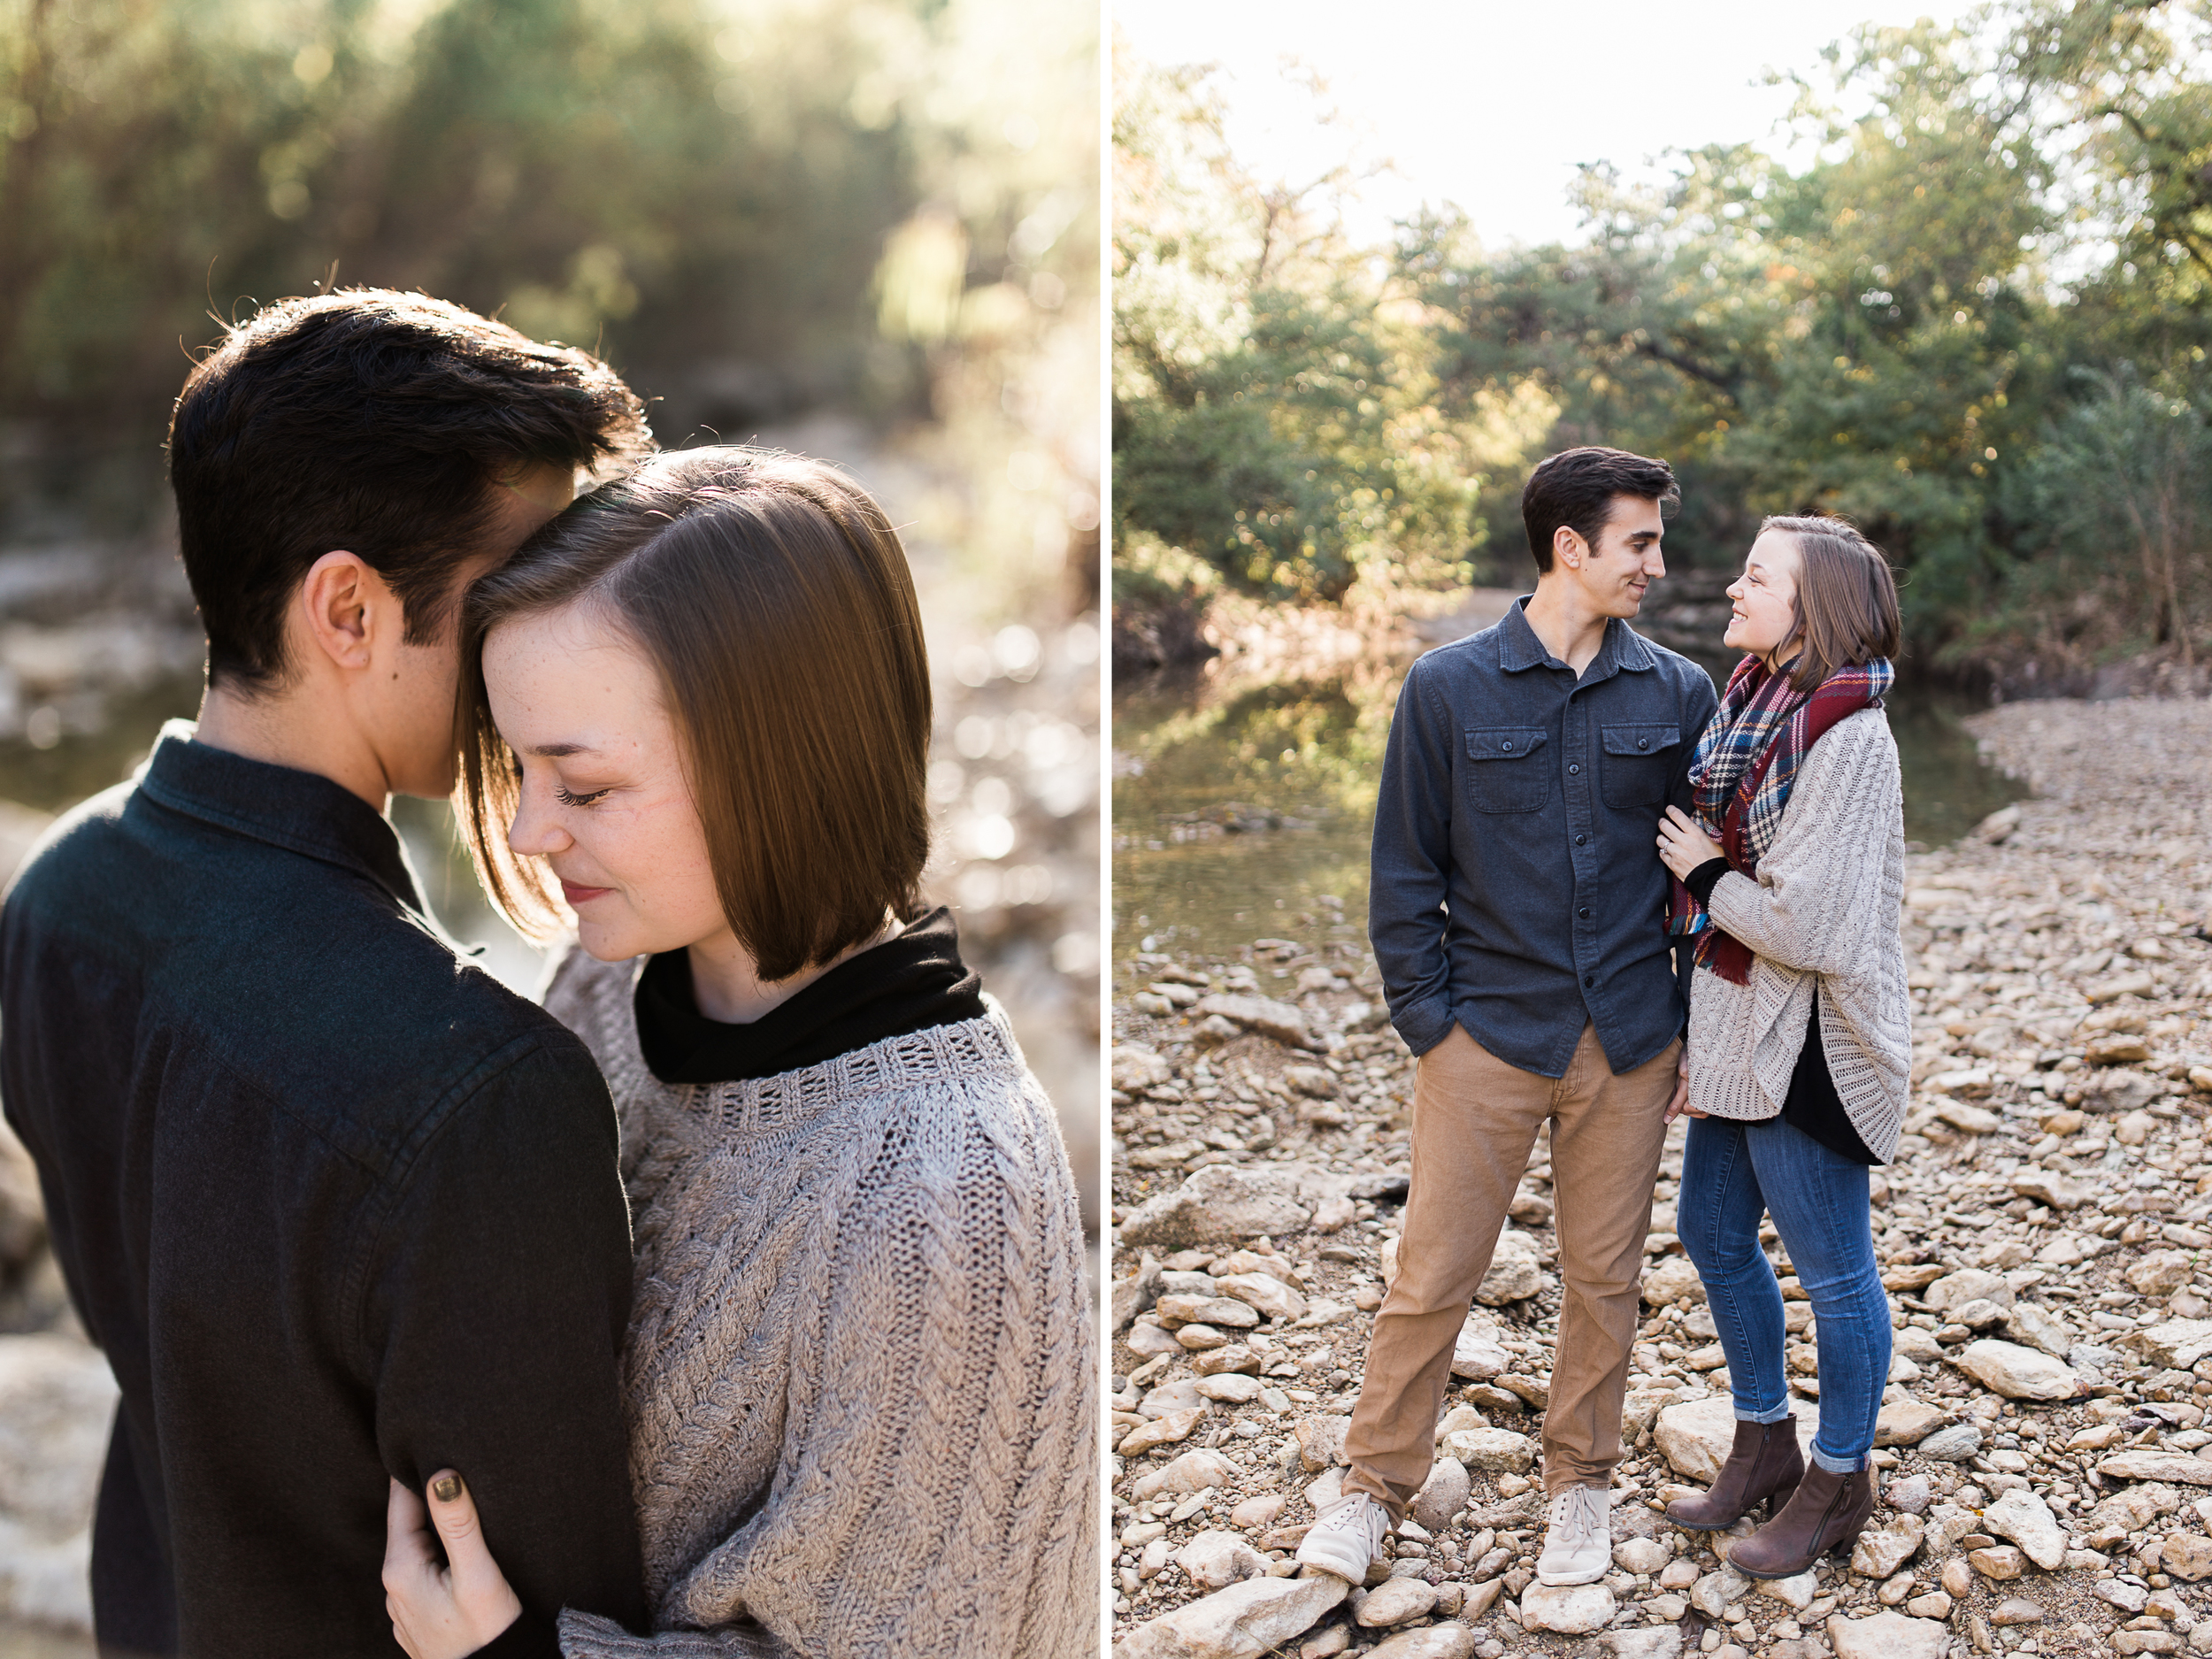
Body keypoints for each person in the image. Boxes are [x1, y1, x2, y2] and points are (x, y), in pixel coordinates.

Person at [0, 290, 656, 1656]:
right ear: (348, 608)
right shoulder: (485, 1096)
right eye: (520, 586)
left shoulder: (56, 898)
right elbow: (565, 1610)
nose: (551, 635)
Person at [378, 446, 1099, 1659]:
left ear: (779, 761)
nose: (525, 828)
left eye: (587, 785)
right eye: (518, 762)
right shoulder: (611, 976)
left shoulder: (945, 1205)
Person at [1297, 447, 1719, 1590]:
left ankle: (1580, 1488)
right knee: (1432, 1271)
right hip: (1486, 1032)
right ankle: (1372, 1486)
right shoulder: (1446, 686)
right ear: (1570, 546)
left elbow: (1711, 871)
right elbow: (1402, 872)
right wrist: (1431, 1018)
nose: (1658, 564)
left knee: (1604, 1279)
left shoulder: (1680, 692)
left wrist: (1691, 1023)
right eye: (1640, 541)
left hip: (1630, 1039)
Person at [1655, 515, 1909, 1575]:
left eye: (1755, 578)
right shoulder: (1753, 709)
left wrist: (1707, 873)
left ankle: (1838, 1477)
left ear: (1812, 606)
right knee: (1710, 1230)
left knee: (1834, 1273)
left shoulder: (1850, 740)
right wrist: (1691, 1053)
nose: (1730, 590)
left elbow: (1811, 931)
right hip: (1742, 1037)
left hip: (1811, 1045)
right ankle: (1763, 1442)